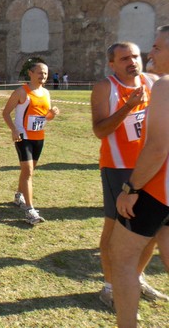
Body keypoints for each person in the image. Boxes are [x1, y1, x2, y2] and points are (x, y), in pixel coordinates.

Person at [90, 41, 166, 310]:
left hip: (151, 167)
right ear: (112, 64)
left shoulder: (155, 82)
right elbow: (100, 130)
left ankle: (135, 278)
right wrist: (127, 108)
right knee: (114, 229)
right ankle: (110, 286)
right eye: (124, 58)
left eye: (135, 56)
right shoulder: (105, 88)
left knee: (154, 230)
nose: (132, 61)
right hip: (118, 168)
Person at [110, 26, 169, 328]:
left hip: (158, 191)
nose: (151, 53)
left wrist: (131, 187)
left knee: (120, 262)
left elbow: (158, 147)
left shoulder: (164, 86)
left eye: (157, 47)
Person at [2, 62, 59, 224]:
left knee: (29, 171)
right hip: (23, 137)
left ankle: (19, 196)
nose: (44, 76)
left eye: (46, 74)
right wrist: (13, 130)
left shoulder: (46, 93)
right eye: (40, 73)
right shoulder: (21, 92)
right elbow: (5, 113)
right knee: (28, 172)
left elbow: (44, 118)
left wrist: (51, 115)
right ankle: (30, 209)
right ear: (31, 73)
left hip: (39, 137)